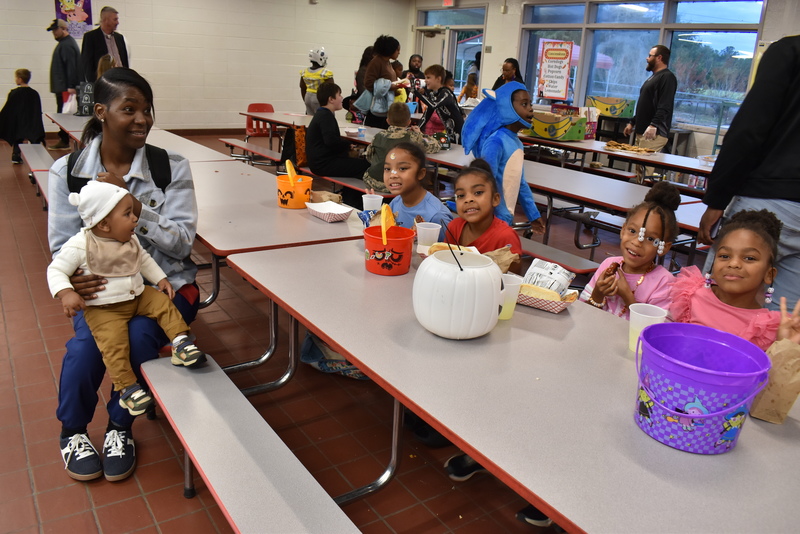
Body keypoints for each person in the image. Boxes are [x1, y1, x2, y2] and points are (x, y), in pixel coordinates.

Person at [49, 68, 200, 482]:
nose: (142, 119)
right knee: (85, 348)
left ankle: (120, 427)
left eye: (147, 110)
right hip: (102, 293)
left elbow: (183, 244)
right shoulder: (69, 171)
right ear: (100, 112)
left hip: (165, 285)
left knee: (138, 337)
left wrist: (132, 204)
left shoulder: (170, 167)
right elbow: (61, 247)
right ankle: (73, 432)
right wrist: (74, 280)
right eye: (129, 109)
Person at [47, 181, 208, 416]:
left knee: (164, 304)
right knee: (114, 345)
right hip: (104, 309)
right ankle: (127, 388)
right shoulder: (81, 246)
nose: (135, 219)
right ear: (103, 223)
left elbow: (143, 260)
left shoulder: (130, 239)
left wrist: (161, 278)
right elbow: (56, 270)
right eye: (127, 214)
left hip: (138, 295)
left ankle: (180, 343)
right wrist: (66, 292)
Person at [697, 34, 800, 312]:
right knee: (784, 323)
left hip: (767, 198)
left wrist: (716, 199)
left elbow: (749, 130)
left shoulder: (790, 51)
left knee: (715, 306)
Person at [670, 209, 791, 351]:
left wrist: (785, 344)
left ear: (769, 274)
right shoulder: (690, 295)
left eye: (749, 258)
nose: (733, 264)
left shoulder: (768, 328)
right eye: (725, 256)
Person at [579, 182, 680, 318]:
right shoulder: (608, 265)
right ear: (623, 230)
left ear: (664, 247)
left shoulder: (664, 283)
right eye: (632, 231)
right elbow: (582, 315)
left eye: (650, 239)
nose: (637, 242)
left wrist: (628, 296)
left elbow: (656, 333)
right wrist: (597, 294)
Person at [462, 82, 545, 235]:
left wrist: (533, 215)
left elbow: (520, 182)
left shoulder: (517, 143)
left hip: (505, 218)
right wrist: (501, 214)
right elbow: (486, 183)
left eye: (530, 104)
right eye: (524, 104)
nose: (530, 108)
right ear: (507, 106)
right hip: (491, 218)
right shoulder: (495, 142)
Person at [446, 159, 523, 262]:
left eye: (478, 193)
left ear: (495, 199)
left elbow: (511, 275)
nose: (468, 200)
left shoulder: (505, 237)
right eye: (461, 195)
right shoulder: (454, 227)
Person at [623, 45, 677, 182]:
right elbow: (645, 105)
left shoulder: (667, 77)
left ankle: (645, 198)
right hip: (643, 130)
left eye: (650, 55)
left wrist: (654, 125)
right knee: (639, 170)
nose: (647, 58)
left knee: (645, 170)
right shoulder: (653, 78)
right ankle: (638, 197)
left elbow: (664, 105)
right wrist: (633, 122)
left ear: (659, 58)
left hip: (654, 132)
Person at [362, 102, 439, 193]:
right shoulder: (413, 137)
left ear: (388, 121)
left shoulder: (379, 136)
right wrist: (419, 134)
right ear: (409, 122)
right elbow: (435, 146)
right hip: (398, 184)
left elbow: (369, 157)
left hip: (373, 182)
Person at [385, 142, 453, 240]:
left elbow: (449, 252)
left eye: (402, 168)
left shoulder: (436, 216)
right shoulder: (396, 202)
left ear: (421, 173)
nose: (393, 175)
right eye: (387, 169)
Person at [306, 82, 369, 181]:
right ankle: (355, 194)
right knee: (364, 165)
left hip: (319, 162)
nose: (341, 98)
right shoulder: (326, 116)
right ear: (331, 99)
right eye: (339, 95)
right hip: (323, 164)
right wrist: (348, 145)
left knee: (356, 163)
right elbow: (331, 141)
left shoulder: (322, 114)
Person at [47, 18, 81, 150]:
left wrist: (71, 86)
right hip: (63, 87)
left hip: (66, 88)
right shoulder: (65, 44)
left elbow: (71, 66)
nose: (54, 33)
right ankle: (64, 139)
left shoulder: (66, 45)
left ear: (64, 29)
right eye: (53, 30)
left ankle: (64, 140)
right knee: (63, 114)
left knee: (64, 115)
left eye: (56, 30)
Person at [0, 69, 45, 164]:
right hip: (31, 122)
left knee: (17, 135)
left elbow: (9, 109)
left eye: (16, 77)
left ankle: (16, 154)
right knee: (34, 137)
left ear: (20, 79)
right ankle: (36, 155)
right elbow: (37, 109)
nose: (15, 79)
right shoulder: (34, 93)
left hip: (19, 122)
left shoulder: (14, 93)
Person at [415, 64, 463, 143]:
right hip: (449, 132)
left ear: (438, 79)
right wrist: (417, 128)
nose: (425, 80)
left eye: (428, 77)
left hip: (459, 132)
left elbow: (433, 105)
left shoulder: (446, 93)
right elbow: (426, 115)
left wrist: (416, 93)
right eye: (425, 77)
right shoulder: (433, 95)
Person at [81, 6, 128, 82]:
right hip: (104, 81)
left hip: (120, 80)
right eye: (115, 19)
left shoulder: (119, 38)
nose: (117, 22)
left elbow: (125, 61)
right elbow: (87, 64)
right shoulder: (91, 37)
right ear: (106, 20)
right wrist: (95, 84)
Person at [363, 35, 402, 129]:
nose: (399, 53)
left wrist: (396, 88)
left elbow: (388, 83)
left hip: (386, 108)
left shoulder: (387, 62)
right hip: (377, 110)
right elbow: (368, 83)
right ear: (390, 49)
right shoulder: (376, 62)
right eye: (397, 50)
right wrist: (391, 87)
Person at [299, 47, 334, 115]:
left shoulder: (304, 72)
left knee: (309, 120)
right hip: (320, 98)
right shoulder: (325, 72)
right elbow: (331, 89)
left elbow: (302, 87)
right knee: (325, 119)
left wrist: (306, 100)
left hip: (307, 97)